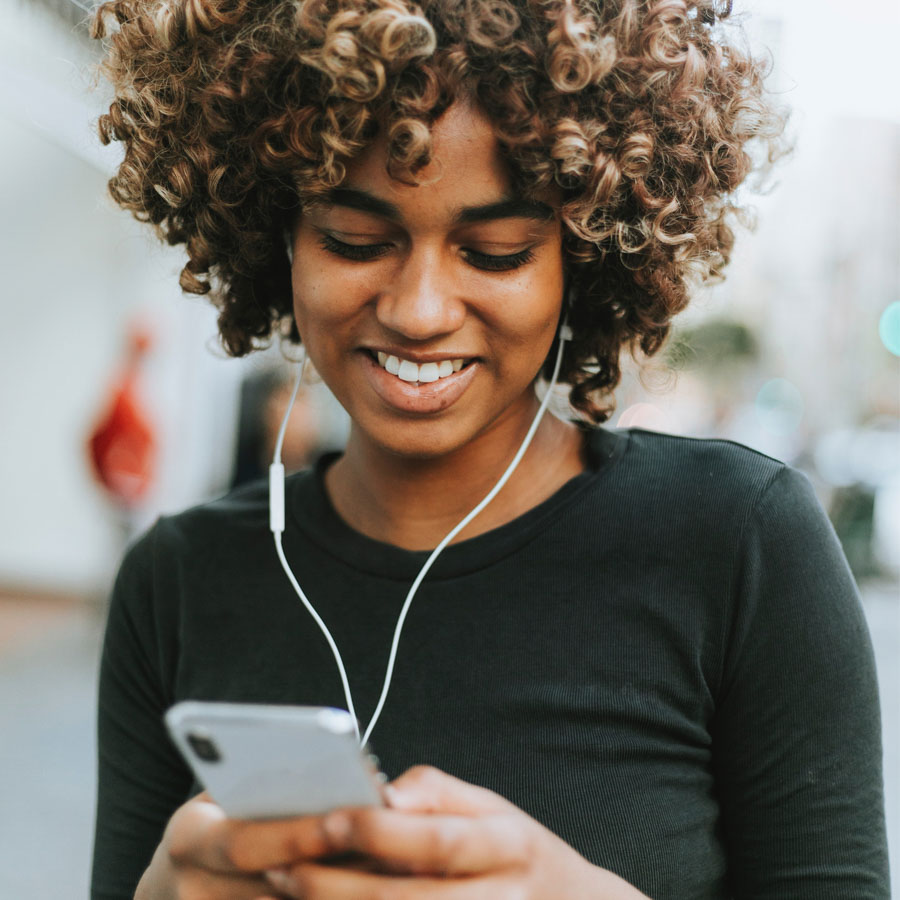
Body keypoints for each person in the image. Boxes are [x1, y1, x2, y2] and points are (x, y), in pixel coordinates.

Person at [88, 0, 890, 897]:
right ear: (278, 239)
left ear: (579, 257)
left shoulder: (740, 545)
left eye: (497, 252)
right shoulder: (179, 580)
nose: (420, 310)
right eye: (356, 240)